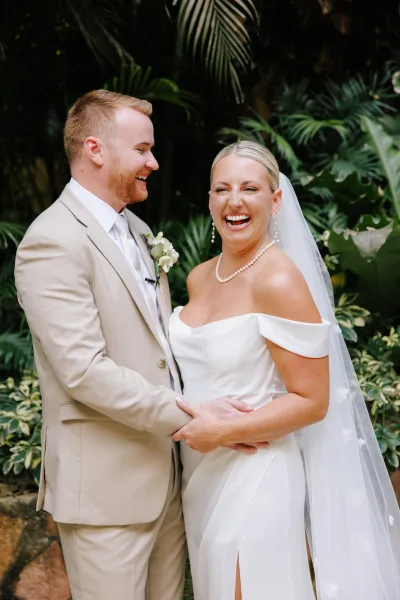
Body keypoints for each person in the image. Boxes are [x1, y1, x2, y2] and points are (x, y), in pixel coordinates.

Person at [14, 91, 259, 600]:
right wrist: (191, 415)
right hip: (106, 489)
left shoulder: (138, 230)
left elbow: (157, 350)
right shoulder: (52, 240)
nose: (154, 161)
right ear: (95, 149)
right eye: (142, 149)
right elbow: (84, 372)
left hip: (164, 477)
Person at [169, 141, 400, 600]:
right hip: (200, 473)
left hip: (258, 470)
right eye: (222, 189)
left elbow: (312, 401)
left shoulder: (278, 279)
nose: (235, 201)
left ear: (275, 201)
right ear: (210, 201)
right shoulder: (198, 277)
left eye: (250, 188)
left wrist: (221, 431)